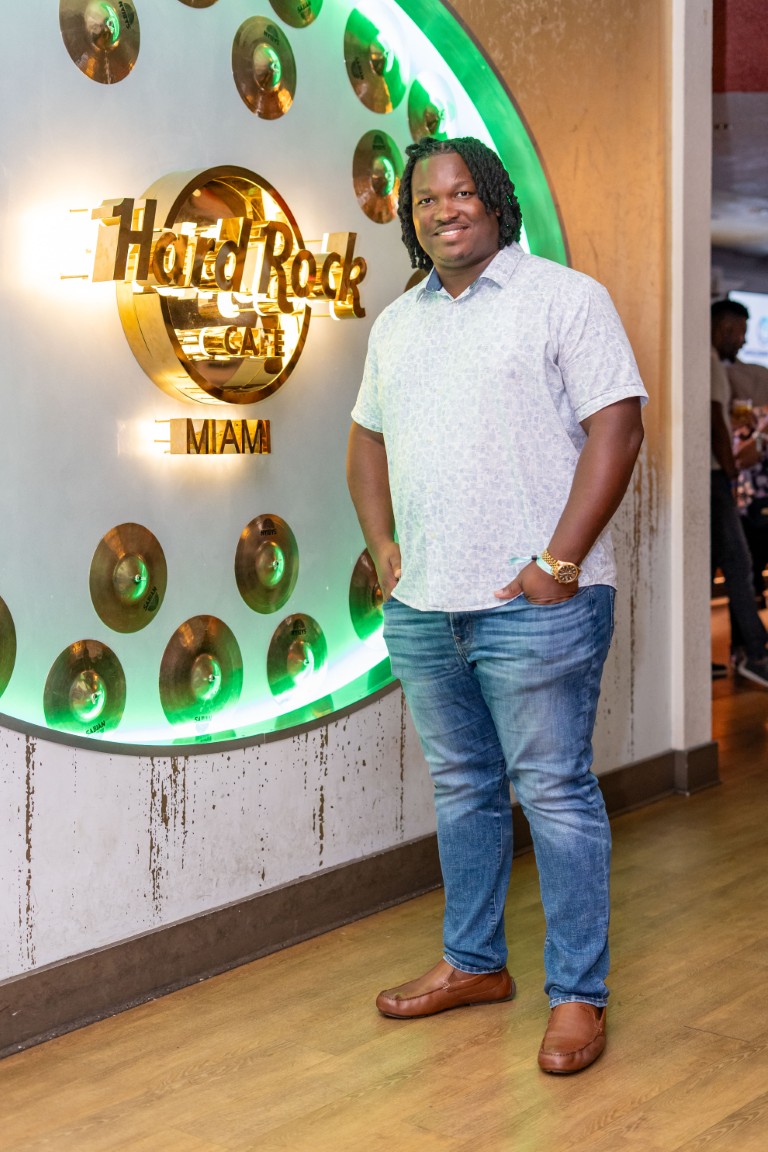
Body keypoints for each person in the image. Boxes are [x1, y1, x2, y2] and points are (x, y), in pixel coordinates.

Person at [347, 136, 647, 1074]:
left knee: (554, 794)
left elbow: (618, 426)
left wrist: (560, 561)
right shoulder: (398, 324)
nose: (444, 209)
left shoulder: (566, 298)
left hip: (538, 607)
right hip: (424, 607)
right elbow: (365, 441)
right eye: (425, 199)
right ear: (411, 218)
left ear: (495, 200)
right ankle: (474, 963)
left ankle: (577, 995)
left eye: (461, 192)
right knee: (464, 788)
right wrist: (382, 546)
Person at [710, 298, 768, 686]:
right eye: (740, 333)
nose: (743, 342)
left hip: (716, 476)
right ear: (725, 328)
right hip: (717, 475)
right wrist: (731, 470)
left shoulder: (711, 361)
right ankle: (755, 653)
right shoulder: (709, 360)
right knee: (738, 562)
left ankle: (747, 651)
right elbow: (714, 416)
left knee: (730, 563)